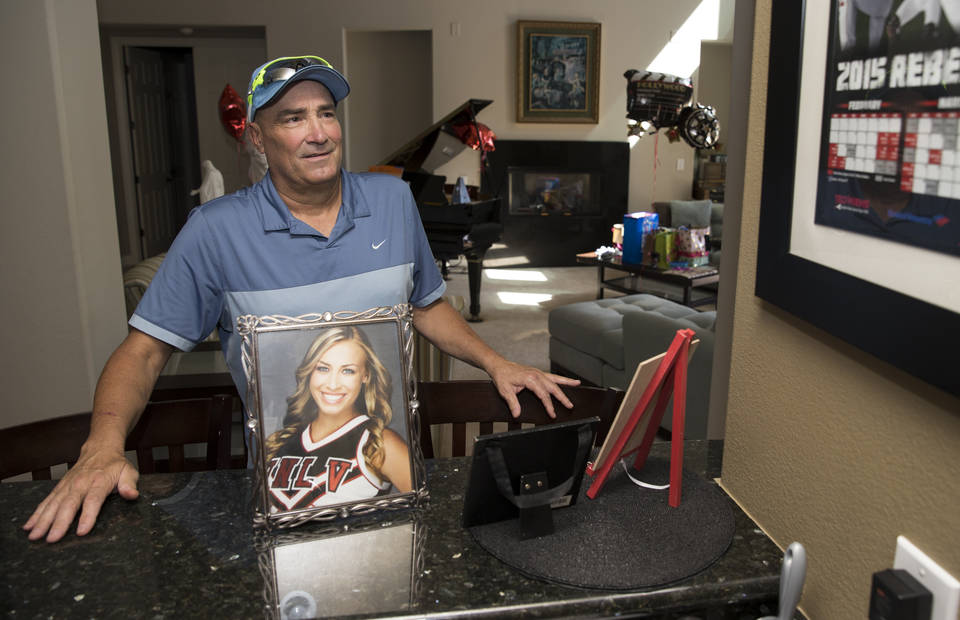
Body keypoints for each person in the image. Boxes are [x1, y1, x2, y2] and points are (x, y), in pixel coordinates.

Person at [24, 54, 577, 542]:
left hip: (393, 474)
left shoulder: (391, 200)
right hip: (285, 483)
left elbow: (425, 305)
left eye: (327, 113)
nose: (319, 133)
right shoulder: (214, 230)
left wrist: (496, 361)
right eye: (293, 118)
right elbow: (143, 351)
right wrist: (101, 445)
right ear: (259, 140)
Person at [266, 326, 409, 511]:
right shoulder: (280, 442)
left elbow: (427, 512)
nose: (333, 384)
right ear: (310, 372)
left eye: (347, 371)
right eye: (323, 368)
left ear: (365, 375)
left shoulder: (379, 443)